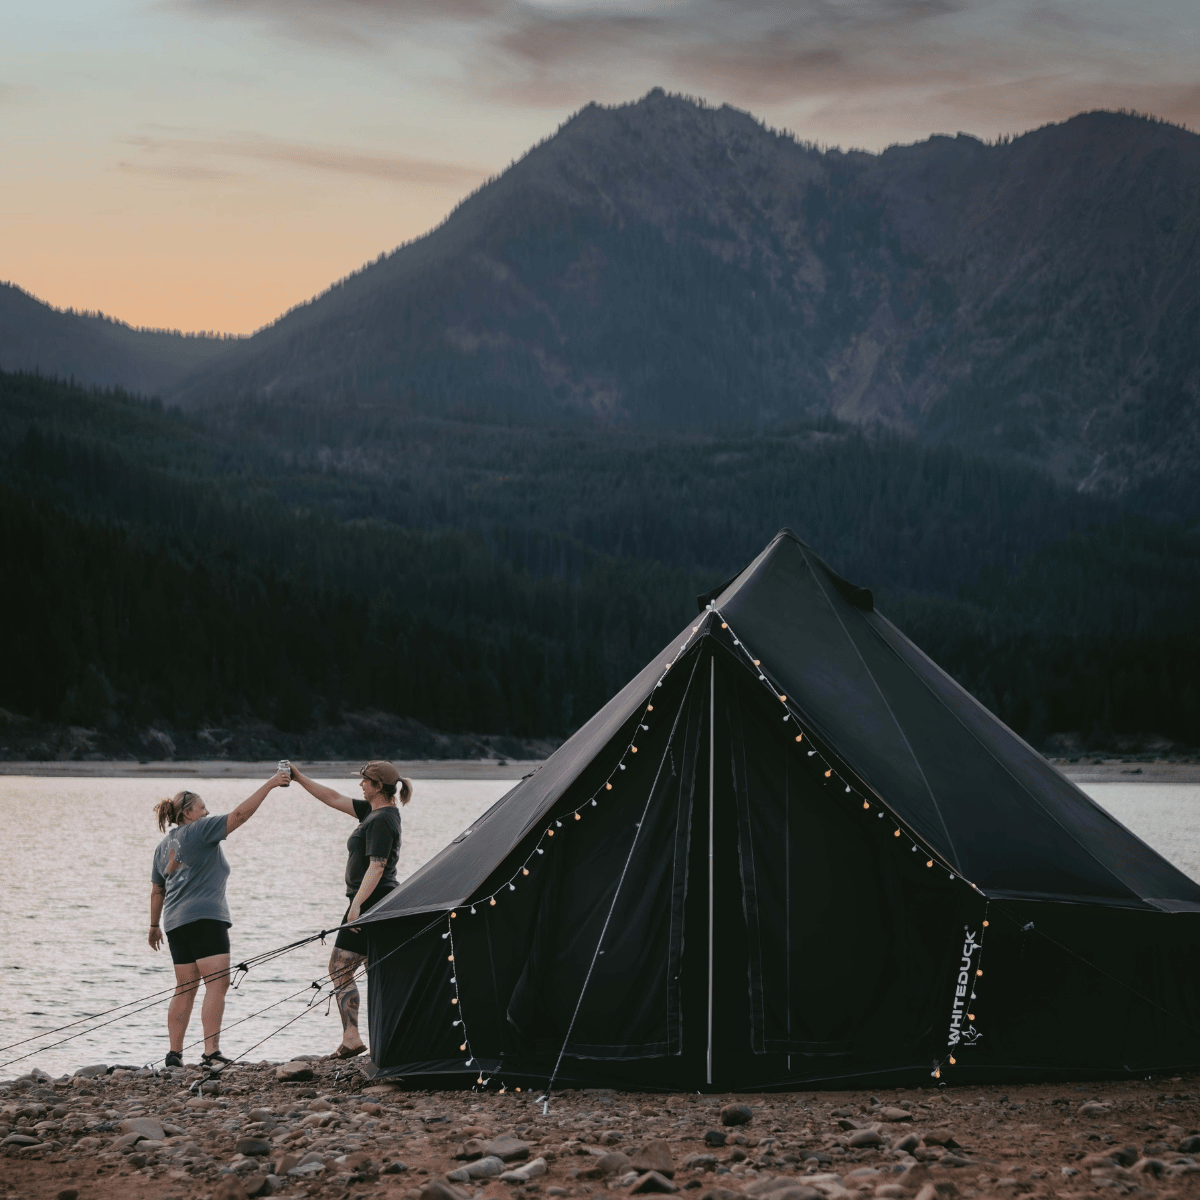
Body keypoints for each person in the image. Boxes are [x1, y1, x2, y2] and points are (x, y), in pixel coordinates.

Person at [148, 771, 289, 1068]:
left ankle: (174, 1054)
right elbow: (239, 814)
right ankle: (211, 1052)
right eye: (202, 807)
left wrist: (153, 926)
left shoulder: (163, 846)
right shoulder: (200, 829)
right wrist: (271, 783)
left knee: (184, 987)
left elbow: (157, 889)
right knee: (216, 983)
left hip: (174, 924)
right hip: (205, 919)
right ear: (188, 813)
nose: (207, 812)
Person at [286, 760, 410, 1058]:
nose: (360, 785)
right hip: (373, 901)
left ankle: (353, 1038)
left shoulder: (382, 820)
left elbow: (377, 866)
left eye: (365, 781)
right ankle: (378, 1041)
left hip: (371, 901)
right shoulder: (373, 812)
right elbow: (333, 798)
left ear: (379, 786)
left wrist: (356, 906)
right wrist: (301, 778)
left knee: (340, 967)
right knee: (372, 969)